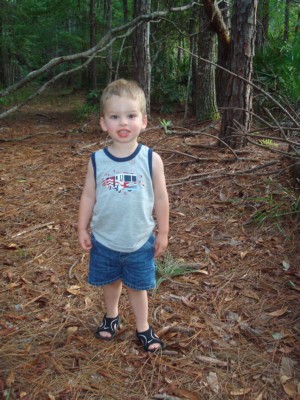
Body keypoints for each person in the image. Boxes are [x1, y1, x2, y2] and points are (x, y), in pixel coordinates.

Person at [78, 79, 169, 352]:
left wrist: (162, 232)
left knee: (137, 287)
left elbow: (162, 198)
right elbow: (88, 196)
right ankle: (112, 316)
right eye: (115, 116)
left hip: (139, 240)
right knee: (110, 282)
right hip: (105, 240)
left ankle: (143, 327)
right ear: (104, 123)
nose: (123, 122)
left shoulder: (151, 159)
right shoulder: (97, 160)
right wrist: (82, 228)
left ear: (143, 121)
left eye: (131, 115)